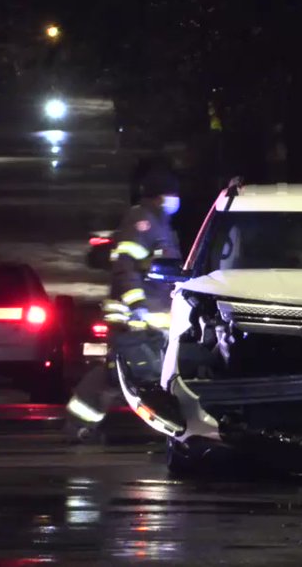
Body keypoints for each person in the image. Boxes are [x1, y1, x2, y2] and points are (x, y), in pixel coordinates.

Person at [66, 171, 183, 440]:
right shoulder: (142, 222)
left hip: (149, 321)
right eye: (172, 195)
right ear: (160, 197)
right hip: (133, 319)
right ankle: (78, 426)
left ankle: (80, 426)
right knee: (122, 375)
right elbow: (125, 268)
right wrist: (138, 304)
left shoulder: (160, 223)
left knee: (125, 375)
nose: (176, 201)